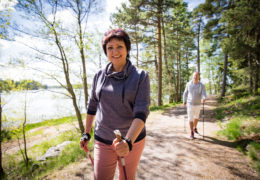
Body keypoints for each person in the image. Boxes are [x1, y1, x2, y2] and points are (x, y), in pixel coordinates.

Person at [80, 28, 150, 180]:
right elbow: (92, 106)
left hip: (132, 141)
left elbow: (141, 112)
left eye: (119, 46)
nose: (115, 51)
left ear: (127, 49)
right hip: (103, 139)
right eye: (110, 48)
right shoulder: (99, 76)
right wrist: (86, 133)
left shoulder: (140, 76)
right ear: (105, 51)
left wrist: (128, 142)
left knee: (126, 178)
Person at [183, 72, 206, 139]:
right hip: (190, 104)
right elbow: (185, 93)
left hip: (198, 104)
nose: (195, 77)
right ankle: (191, 132)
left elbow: (203, 93)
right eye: (194, 76)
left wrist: (204, 98)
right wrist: (184, 101)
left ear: (199, 77)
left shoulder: (201, 85)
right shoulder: (188, 84)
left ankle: (194, 127)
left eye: (196, 76)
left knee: (196, 117)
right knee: (190, 118)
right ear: (192, 76)